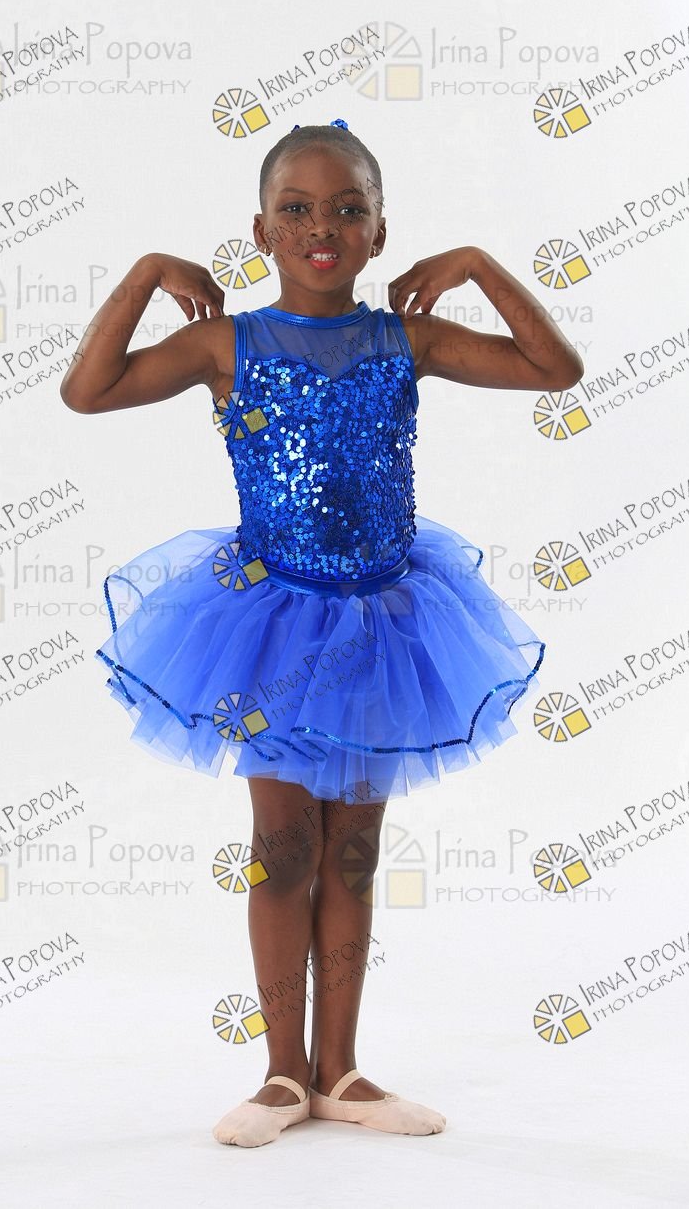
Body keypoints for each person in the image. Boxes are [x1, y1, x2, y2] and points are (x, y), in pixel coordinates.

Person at [59, 119, 584, 1148]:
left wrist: (478, 264)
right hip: (272, 621)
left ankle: (340, 1071)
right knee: (283, 847)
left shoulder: (406, 342)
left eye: (348, 209)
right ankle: (279, 1074)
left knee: (352, 854)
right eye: (295, 210)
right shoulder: (228, 344)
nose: (321, 228)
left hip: (387, 622)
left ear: (381, 232)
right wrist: (147, 272)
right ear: (260, 230)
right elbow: (88, 391)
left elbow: (553, 369)